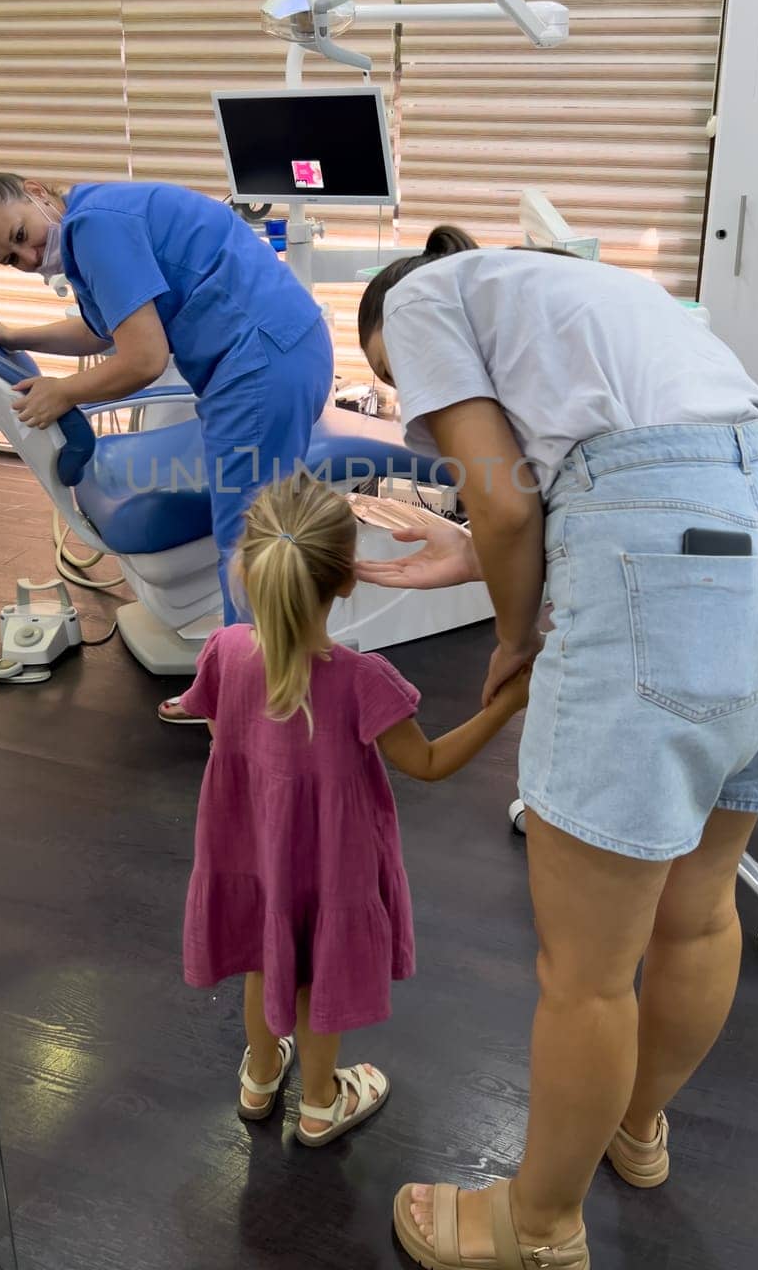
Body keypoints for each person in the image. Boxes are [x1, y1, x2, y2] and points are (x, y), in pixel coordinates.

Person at [355, 228, 758, 1270]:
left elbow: (504, 499)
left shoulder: (420, 294)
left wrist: (512, 637)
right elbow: (596, 488)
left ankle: (535, 1225)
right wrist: (482, 558)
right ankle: (634, 1126)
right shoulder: (594, 290)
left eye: (414, 396)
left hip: (666, 574)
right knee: (702, 908)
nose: (434, 424)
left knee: (585, 972)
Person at [175, 472, 530, 1145]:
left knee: (262, 956)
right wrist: (507, 706)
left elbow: (224, 737)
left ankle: (258, 1076)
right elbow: (428, 763)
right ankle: (318, 1101)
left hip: (251, 852)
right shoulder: (363, 682)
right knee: (315, 976)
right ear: (345, 581)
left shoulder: (223, 653)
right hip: (330, 864)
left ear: (247, 569)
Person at [0, 167, 332, 719]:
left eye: (18, 237)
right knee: (249, 536)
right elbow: (107, 331)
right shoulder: (88, 226)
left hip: (265, 361)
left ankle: (252, 707)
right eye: (11, 260)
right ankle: (236, 682)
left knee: (248, 544)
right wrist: (16, 336)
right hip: (262, 357)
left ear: (36, 192)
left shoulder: (96, 228)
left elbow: (144, 359)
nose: (29, 259)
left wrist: (64, 393)